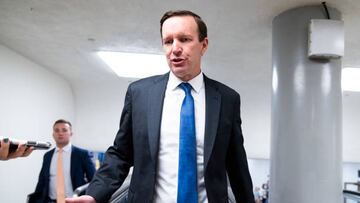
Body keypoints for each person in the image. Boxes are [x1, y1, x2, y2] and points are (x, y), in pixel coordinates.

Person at [66, 10, 254, 203]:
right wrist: (94, 194)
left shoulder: (227, 99)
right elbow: (120, 154)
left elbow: (237, 164)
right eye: (168, 41)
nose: (175, 48)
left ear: (203, 45)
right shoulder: (139, 94)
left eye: (184, 39)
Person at [29, 119, 96, 203]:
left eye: (64, 130)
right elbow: (42, 180)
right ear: (53, 134)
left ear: (71, 133)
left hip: (74, 200)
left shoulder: (82, 154)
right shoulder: (47, 156)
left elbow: (94, 179)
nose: (60, 133)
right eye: (56, 130)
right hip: (50, 200)